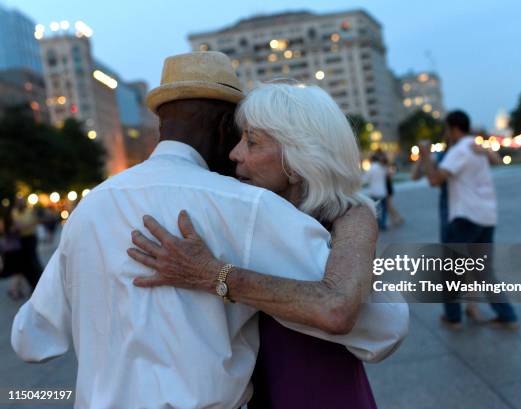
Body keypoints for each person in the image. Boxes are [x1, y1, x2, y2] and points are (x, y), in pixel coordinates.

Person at [11, 52, 408, 409]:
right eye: (241, 135)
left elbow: (31, 339)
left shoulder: (91, 206)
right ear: (223, 126)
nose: (236, 154)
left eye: (250, 141)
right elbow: (384, 324)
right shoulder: (246, 206)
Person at [127, 82, 409, 408]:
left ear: (297, 158)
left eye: (252, 142)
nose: (235, 154)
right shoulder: (247, 213)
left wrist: (211, 274)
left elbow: (337, 309)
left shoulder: (350, 215)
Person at [420, 110, 518, 329]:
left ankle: (453, 317)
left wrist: (426, 156)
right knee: (484, 270)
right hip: (486, 216)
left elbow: (435, 180)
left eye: (447, 128)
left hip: (465, 217)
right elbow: (497, 160)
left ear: (454, 128)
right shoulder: (477, 146)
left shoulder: (460, 150)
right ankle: (508, 315)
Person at [9, 198, 42, 295]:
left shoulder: (30, 211)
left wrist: (22, 226)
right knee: (25, 264)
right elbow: (15, 226)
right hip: (19, 240)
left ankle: (37, 284)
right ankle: (30, 285)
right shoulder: (14, 212)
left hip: (30, 238)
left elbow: (32, 223)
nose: (20, 203)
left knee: (33, 261)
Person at [363, 152, 388, 230]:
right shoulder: (382, 167)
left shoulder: (371, 168)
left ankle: (379, 224)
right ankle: (383, 224)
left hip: (374, 192)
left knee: (375, 209)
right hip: (383, 192)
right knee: (384, 209)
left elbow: (365, 180)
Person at [381, 154, 405, 227]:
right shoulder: (385, 169)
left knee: (389, 206)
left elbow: (389, 177)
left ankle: (399, 218)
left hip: (388, 189)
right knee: (389, 206)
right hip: (387, 189)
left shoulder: (386, 169)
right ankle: (394, 220)